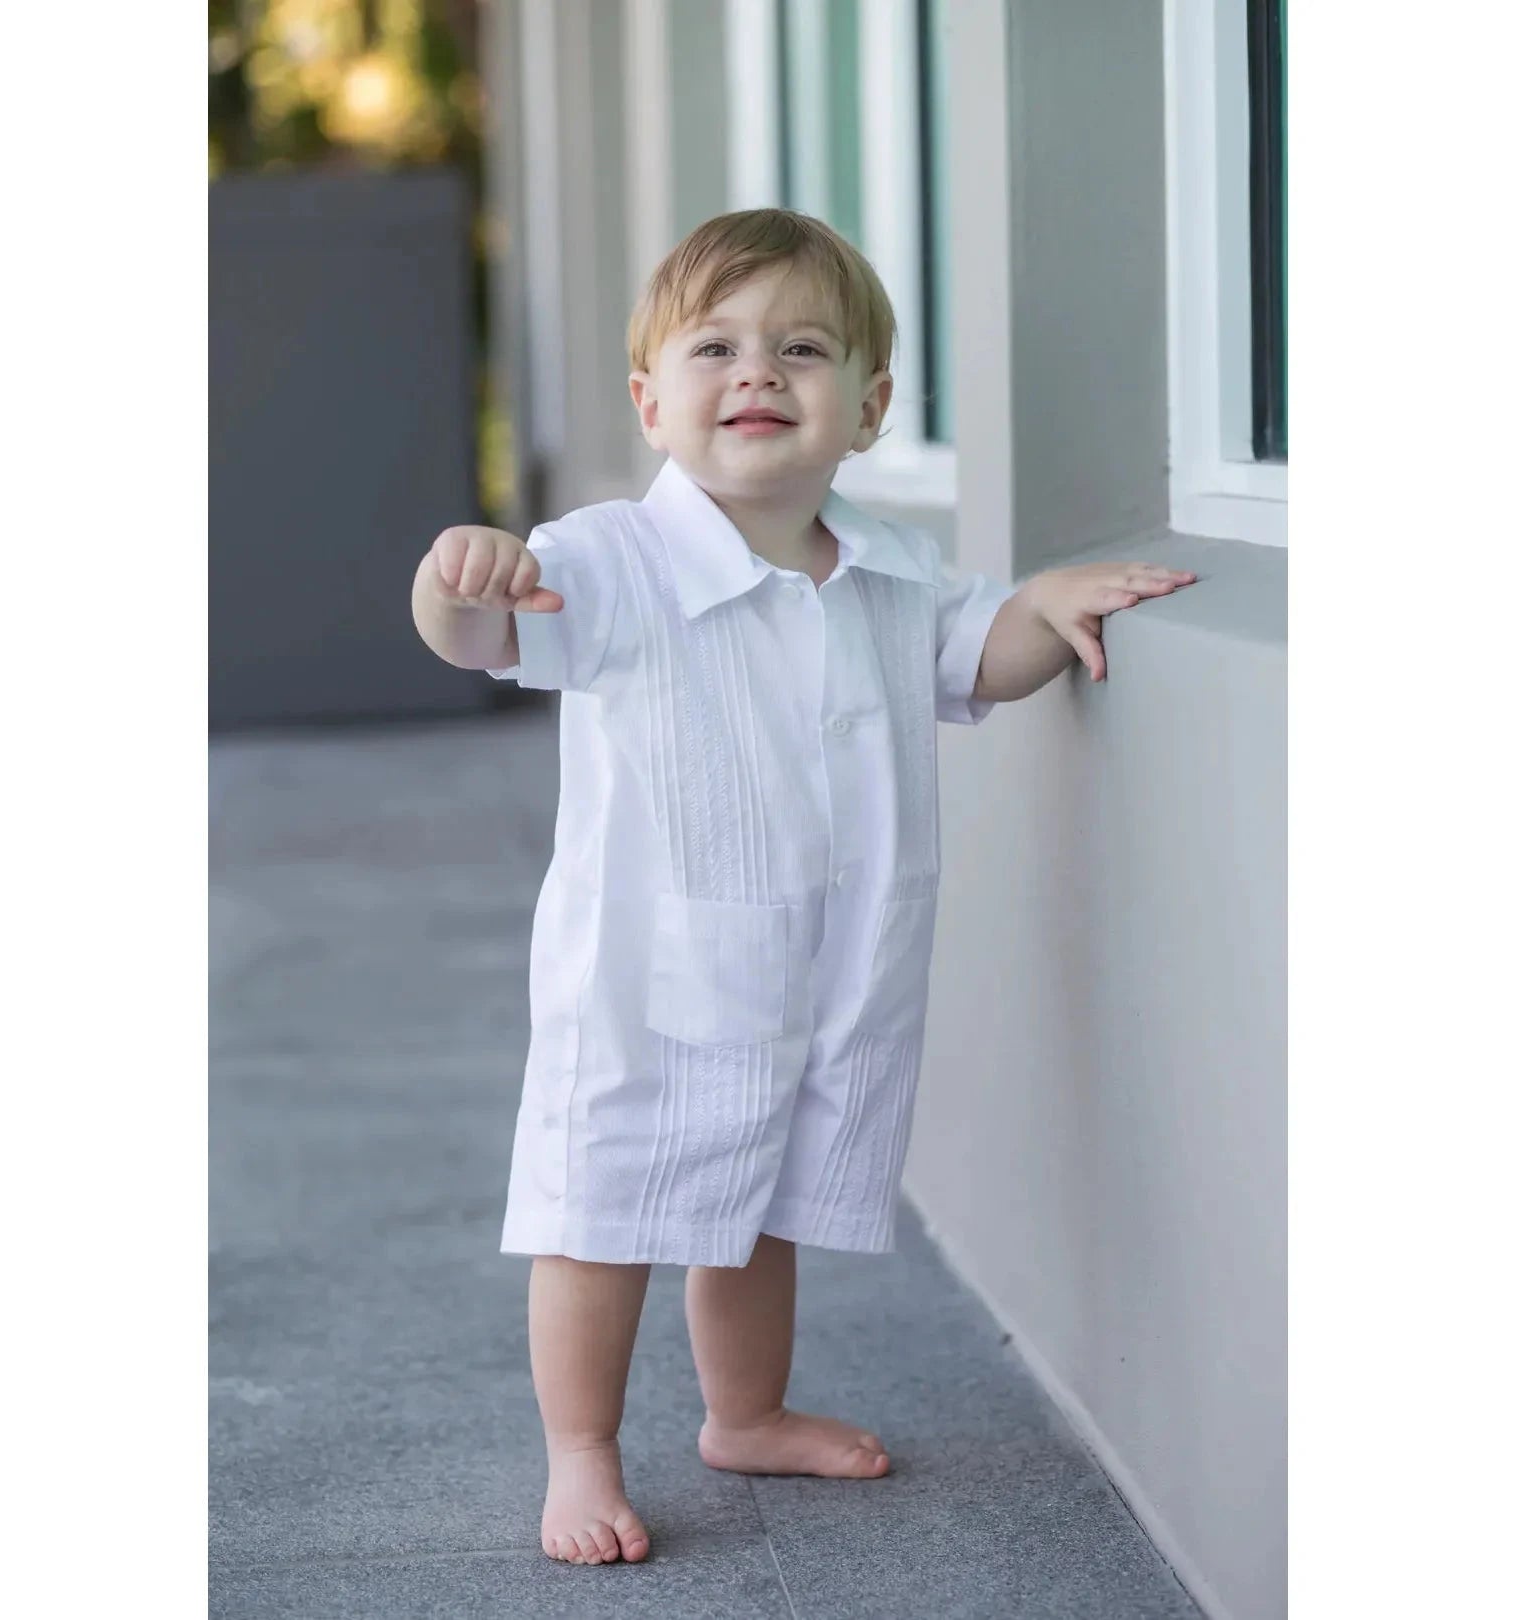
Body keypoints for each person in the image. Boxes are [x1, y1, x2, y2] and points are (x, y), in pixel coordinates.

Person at [409, 208, 1196, 1567]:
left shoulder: (889, 571)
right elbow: (485, 637)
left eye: (803, 349)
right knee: (604, 1212)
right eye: (715, 348)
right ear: (652, 403)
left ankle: (747, 1413)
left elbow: (981, 656)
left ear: (869, 408)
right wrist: (458, 581)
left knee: (758, 1204)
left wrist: (1050, 607)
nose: (758, 372)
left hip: (822, 971)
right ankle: (582, 1453)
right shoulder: (610, 560)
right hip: (647, 980)